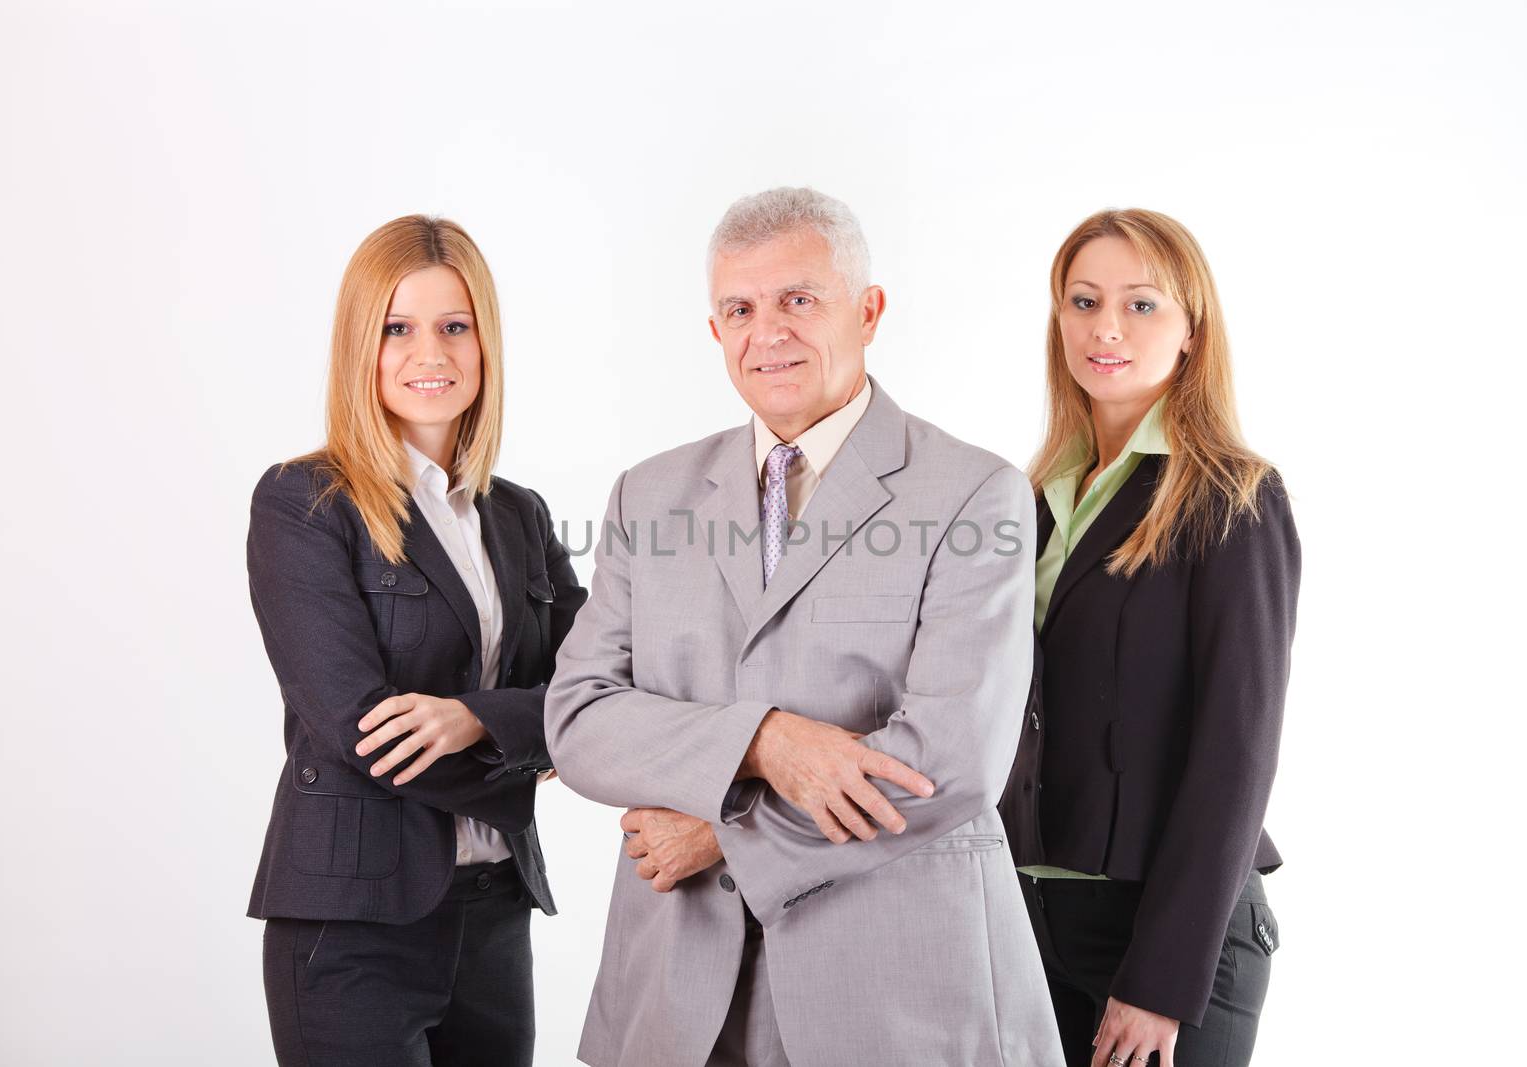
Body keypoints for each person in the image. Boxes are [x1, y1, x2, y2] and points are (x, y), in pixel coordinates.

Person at [544, 187, 1062, 1066]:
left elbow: (953, 757)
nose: (767, 332)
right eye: (739, 308)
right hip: (674, 993)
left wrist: (722, 833)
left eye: (798, 300)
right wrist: (764, 742)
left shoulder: (976, 493)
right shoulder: (648, 493)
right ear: (715, 332)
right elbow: (579, 720)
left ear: (868, 311)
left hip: (893, 992)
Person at [245, 215, 585, 1067]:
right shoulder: (303, 503)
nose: (428, 352)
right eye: (397, 328)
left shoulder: (521, 515)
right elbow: (362, 725)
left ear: (485, 343)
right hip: (352, 925)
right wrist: (535, 754)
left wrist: (477, 717)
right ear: (361, 342)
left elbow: (598, 683)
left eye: (453, 326)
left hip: (496, 911)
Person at [998, 208, 1299, 1067]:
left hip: (1169, 937)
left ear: (1192, 330)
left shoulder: (1231, 498)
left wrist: (1162, 979)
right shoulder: (1026, 499)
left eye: (1141, 305)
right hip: (1031, 925)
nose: (1105, 328)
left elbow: (1236, 752)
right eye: (1084, 301)